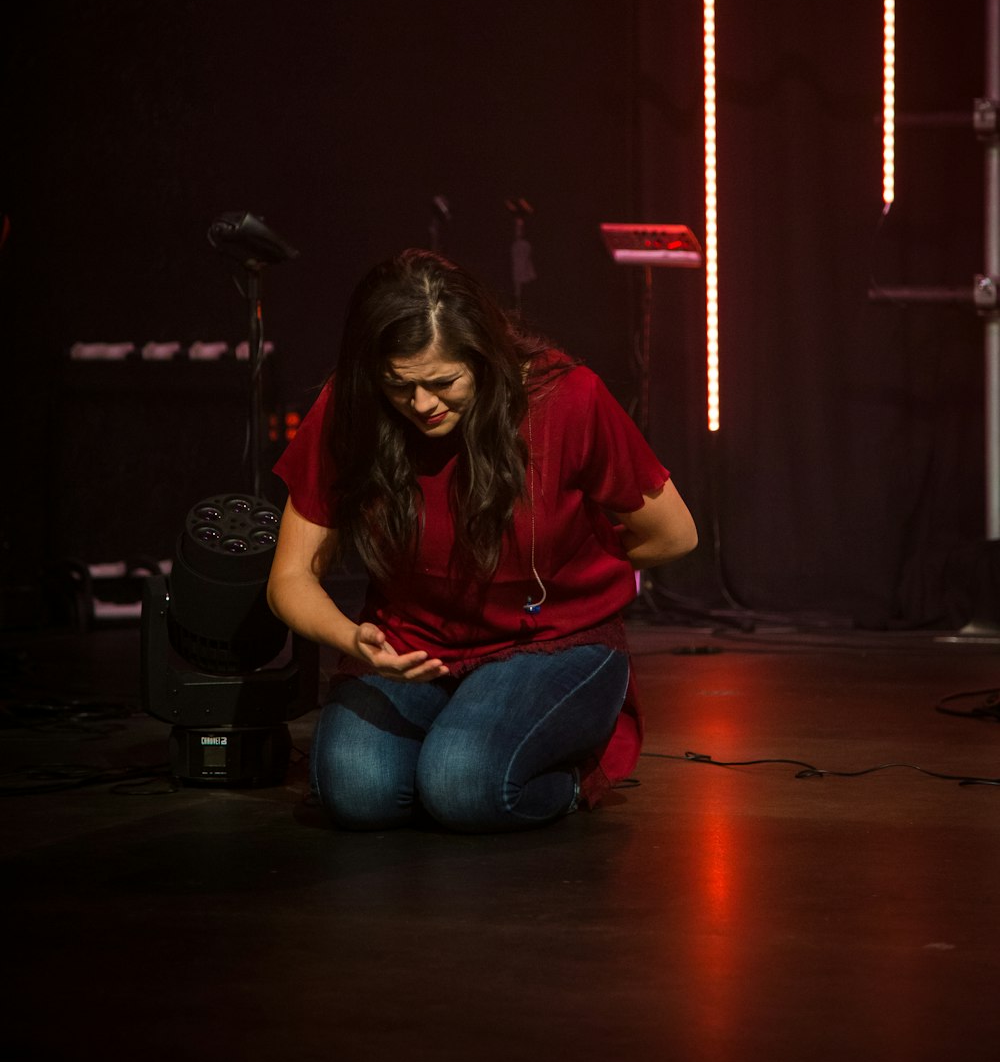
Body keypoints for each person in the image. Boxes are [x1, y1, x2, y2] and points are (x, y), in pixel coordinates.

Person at [267, 248, 698, 832]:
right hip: (411, 649)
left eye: (443, 383)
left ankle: (569, 775)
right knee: (356, 791)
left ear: (485, 358)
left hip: (552, 643)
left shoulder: (567, 399)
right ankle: (460, 741)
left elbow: (673, 535)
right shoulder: (351, 407)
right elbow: (290, 577)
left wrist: (578, 571)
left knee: (462, 785)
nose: (422, 405)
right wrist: (351, 638)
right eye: (400, 386)